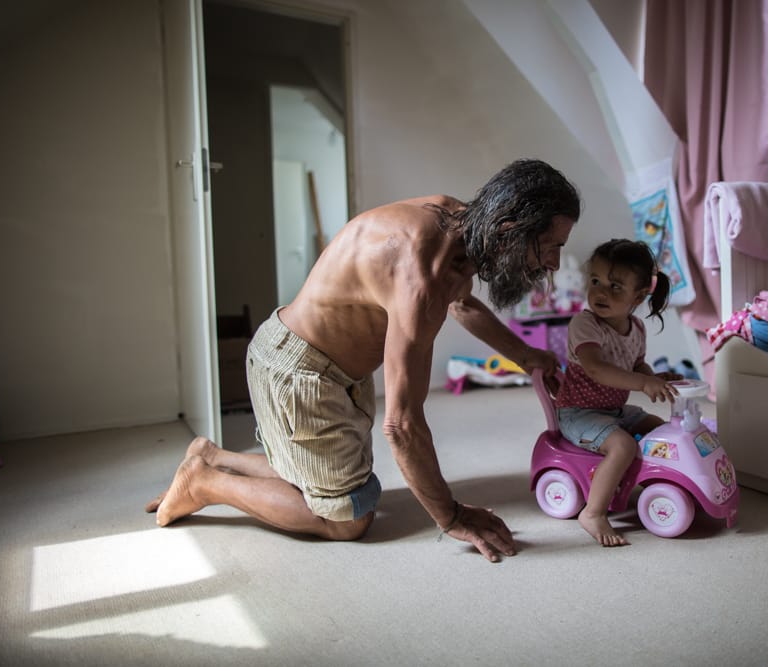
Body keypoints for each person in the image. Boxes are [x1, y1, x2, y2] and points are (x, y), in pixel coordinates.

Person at [146, 158, 581, 563]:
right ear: (508, 228)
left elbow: (462, 304)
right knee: (348, 518)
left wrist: (526, 356)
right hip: (299, 373)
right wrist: (451, 516)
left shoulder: (455, 220)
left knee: (351, 489)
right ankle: (206, 482)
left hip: (325, 370)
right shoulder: (422, 276)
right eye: (549, 247)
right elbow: (401, 425)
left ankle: (213, 456)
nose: (553, 264)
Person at [553, 239, 680, 547]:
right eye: (595, 281)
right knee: (622, 446)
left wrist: (654, 379)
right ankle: (593, 513)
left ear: (638, 296)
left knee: (661, 429)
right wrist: (642, 383)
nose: (601, 292)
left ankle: (661, 480)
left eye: (615, 286)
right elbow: (596, 369)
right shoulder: (585, 324)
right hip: (579, 413)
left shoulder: (636, 327)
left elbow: (636, 365)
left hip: (614, 411)